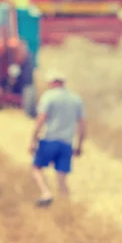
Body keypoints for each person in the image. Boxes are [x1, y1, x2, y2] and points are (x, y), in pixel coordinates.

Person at [29, 71, 86, 206]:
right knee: (61, 175)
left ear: (53, 82)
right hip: (67, 142)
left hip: (50, 139)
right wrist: (80, 145)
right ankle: (64, 203)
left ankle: (46, 193)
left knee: (36, 167)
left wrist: (33, 139)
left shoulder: (49, 97)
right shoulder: (76, 99)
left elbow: (41, 119)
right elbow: (82, 124)